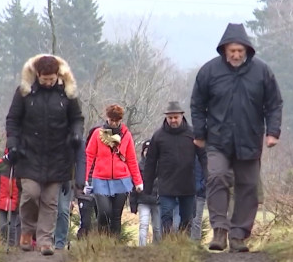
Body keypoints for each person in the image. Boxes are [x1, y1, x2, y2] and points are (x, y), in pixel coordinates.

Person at [191, 23, 283, 252]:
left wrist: (273, 132)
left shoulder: (262, 72)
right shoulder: (209, 72)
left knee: (248, 186)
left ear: (247, 50)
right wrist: (199, 134)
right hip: (217, 140)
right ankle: (219, 231)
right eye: (232, 50)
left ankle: (238, 235)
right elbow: (197, 104)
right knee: (217, 177)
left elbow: (274, 104)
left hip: (249, 140)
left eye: (240, 51)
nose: (236, 55)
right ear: (224, 50)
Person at [5, 54, 84, 256]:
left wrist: (76, 134)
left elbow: (77, 118)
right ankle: (27, 231)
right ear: (37, 75)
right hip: (29, 153)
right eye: (44, 79)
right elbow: (13, 120)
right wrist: (12, 143)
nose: (48, 83)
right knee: (31, 194)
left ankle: (45, 241)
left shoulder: (67, 94)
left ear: (57, 75)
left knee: (50, 201)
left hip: (58, 154)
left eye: (51, 79)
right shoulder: (24, 92)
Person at [143, 101, 206, 237]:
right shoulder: (158, 136)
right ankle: (168, 244)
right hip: (166, 185)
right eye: (170, 118)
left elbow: (203, 157)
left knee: (187, 219)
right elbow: (150, 162)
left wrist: (208, 177)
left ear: (182, 116)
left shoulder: (192, 134)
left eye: (175, 117)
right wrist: (147, 186)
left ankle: (183, 245)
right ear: (166, 117)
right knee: (165, 216)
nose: (173, 120)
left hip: (188, 184)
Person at [84, 104, 143, 238]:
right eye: (112, 120)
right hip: (100, 179)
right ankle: (102, 241)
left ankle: (114, 244)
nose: (114, 123)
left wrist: (138, 181)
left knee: (116, 216)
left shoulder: (126, 136)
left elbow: (132, 160)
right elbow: (89, 157)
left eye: (117, 121)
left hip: (121, 179)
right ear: (107, 118)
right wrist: (85, 178)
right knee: (104, 213)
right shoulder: (97, 134)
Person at [129, 140, 161, 246]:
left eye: (150, 150)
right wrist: (133, 204)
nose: (148, 152)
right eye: (146, 150)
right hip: (143, 200)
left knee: (157, 227)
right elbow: (133, 186)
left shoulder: (161, 166)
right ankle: (141, 248)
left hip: (157, 201)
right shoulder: (138, 167)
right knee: (143, 225)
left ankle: (157, 248)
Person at [0, 149, 21, 247]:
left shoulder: (21, 167)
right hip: (1, 200)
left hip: (15, 202)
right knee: (2, 226)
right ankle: (1, 245)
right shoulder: (0, 164)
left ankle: (12, 246)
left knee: (12, 227)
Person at [190, 153, 207, 243]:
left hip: (200, 193)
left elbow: (207, 173)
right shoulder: (188, 154)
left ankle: (195, 243)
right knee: (188, 219)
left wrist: (202, 186)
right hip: (187, 191)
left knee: (196, 220)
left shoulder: (203, 155)